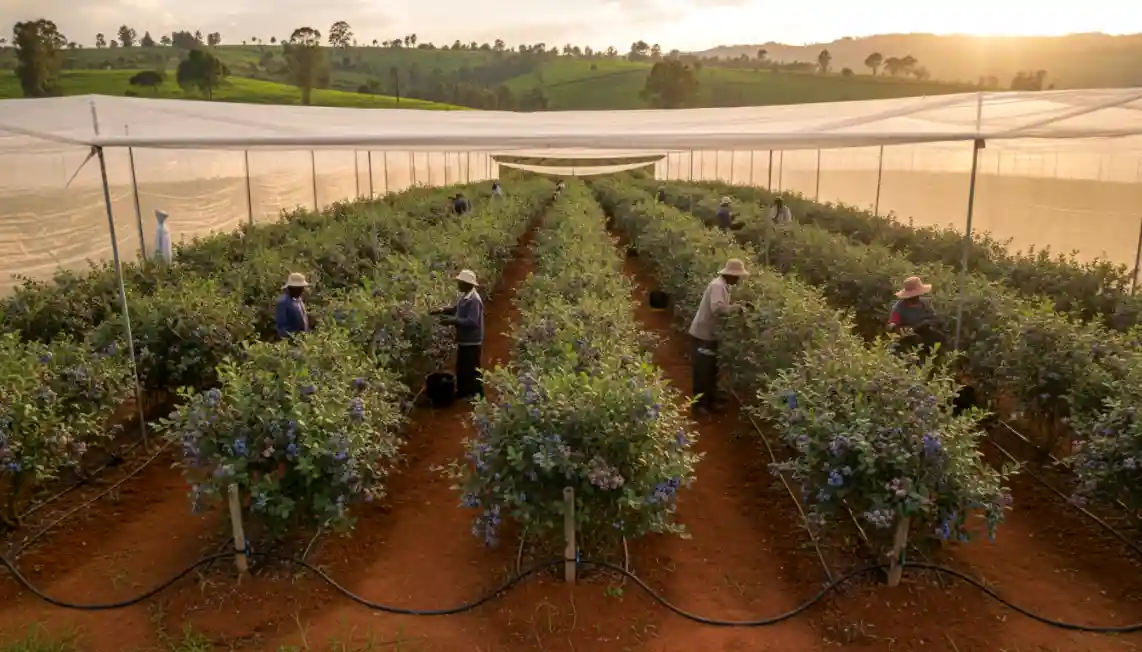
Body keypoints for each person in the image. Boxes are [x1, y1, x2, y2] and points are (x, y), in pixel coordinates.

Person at [688, 258, 749, 416]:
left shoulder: (724, 286)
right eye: (737, 276)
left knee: (711, 370)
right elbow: (717, 308)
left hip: (711, 334)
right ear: (730, 275)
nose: (738, 279)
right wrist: (736, 308)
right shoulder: (717, 286)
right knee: (702, 370)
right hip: (704, 335)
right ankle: (699, 405)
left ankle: (709, 402)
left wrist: (738, 306)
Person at [431, 269, 485, 399]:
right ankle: (463, 391)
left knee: (471, 368)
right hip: (464, 339)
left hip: (472, 340)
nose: (458, 285)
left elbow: (472, 321)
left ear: (467, 284)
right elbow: (456, 309)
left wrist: (453, 321)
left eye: (460, 282)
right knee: (462, 367)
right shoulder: (465, 296)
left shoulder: (474, 300)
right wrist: (442, 310)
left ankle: (476, 394)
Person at [888, 276, 945, 361]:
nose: (915, 297)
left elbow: (935, 319)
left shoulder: (926, 304)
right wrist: (894, 326)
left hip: (926, 335)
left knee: (939, 338)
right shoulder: (899, 308)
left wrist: (926, 323)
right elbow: (892, 324)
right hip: (908, 339)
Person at [275, 273, 312, 339]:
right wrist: (295, 336)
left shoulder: (298, 299)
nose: (302, 291)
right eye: (300, 288)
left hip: (303, 340)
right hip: (291, 342)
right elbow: (281, 328)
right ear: (292, 288)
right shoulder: (283, 302)